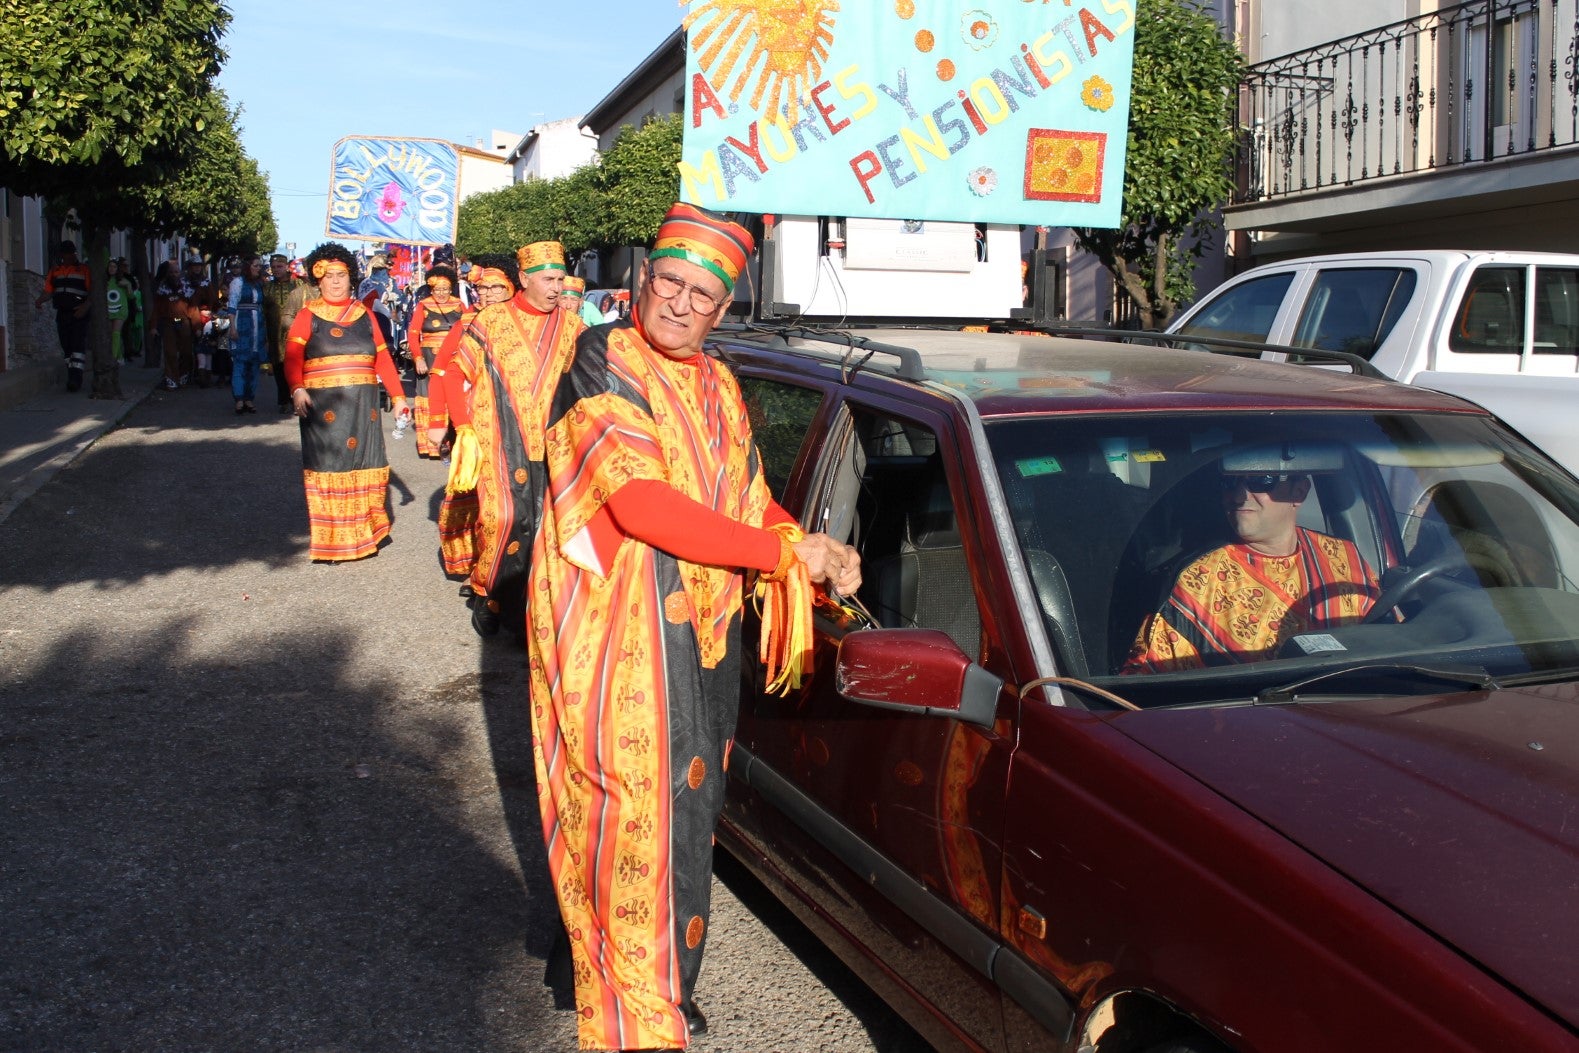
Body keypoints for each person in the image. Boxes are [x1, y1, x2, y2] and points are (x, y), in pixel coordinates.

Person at [527, 203, 861, 1052]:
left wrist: (808, 545)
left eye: (700, 295)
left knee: (688, 807)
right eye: (668, 282)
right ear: (643, 280)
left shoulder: (715, 380)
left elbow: (745, 496)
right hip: (618, 638)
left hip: (702, 634)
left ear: (723, 309)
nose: (678, 303)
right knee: (626, 808)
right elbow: (642, 505)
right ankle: (639, 1011)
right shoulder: (600, 361)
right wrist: (784, 558)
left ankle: (648, 978)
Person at [438, 240, 586, 638]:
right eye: (548, 280)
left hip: (555, 446)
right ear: (523, 279)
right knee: (503, 520)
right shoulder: (490, 322)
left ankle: (534, 610)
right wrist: (463, 427)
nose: (556, 288)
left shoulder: (574, 326)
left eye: (560, 279)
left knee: (544, 526)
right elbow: (454, 375)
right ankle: (490, 594)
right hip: (499, 441)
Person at [1123, 468, 1380, 672]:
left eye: (1261, 480)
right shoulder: (1199, 577)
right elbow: (1152, 685)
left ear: (1299, 492)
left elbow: (1391, 639)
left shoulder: (1345, 557)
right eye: (1229, 483)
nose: (1239, 496)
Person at [283, 243, 410, 562]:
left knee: (366, 464)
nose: (336, 282)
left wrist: (398, 397)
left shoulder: (364, 314)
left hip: (363, 409)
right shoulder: (307, 315)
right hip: (323, 410)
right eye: (329, 276)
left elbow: (382, 358)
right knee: (331, 466)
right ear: (318, 280)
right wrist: (297, 388)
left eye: (342, 275)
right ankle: (334, 540)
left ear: (351, 278)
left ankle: (366, 532)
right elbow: (292, 357)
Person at [424, 255, 518, 586]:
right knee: (477, 497)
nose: (488, 293)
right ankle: (478, 564)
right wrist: (441, 423)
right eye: (483, 287)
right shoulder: (464, 325)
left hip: (518, 428)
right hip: (473, 426)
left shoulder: (524, 326)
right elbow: (441, 375)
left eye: (496, 287)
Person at [404, 265, 465, 459]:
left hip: (454, 358)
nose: (441, 293)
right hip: (429, 358)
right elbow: (413, 334)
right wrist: (418, 358)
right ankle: (430, 445)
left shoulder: (459, 305)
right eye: (437, 289)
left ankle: (453, 443)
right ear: (431, 289)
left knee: (454, 398)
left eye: (445, 289)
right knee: (430, 399)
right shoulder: (423, 306)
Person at [34, 240, 92, 392]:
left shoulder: (83, 270)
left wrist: (85, 307)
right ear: (62, 255)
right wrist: (40, 300)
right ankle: (71, 375)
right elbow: (48, 291)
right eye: (65, 255)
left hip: (79, 314)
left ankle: (75, 379)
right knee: (66, 346)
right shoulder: (55, 271)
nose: (68, 257)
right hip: (63, 313)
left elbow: (93, 292)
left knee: (77, 347)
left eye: (71, 254)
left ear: (74, 254)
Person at [263, 254, 304, 413]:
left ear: (287, 267)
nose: (276, 270)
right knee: (279, 368)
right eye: (273, 267)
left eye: (279, 267)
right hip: (274, 334)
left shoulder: (298, 284)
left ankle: (296, 398)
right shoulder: (267, 287)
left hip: (294, 332)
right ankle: (283, 400)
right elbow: (264, 311)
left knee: (294, 366)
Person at [226, 255, 267, 415]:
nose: (258, 269)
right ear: (248, 266)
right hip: (243, 323)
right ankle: (239, 399)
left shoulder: (258, 284)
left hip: (257, 325)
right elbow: (232, 306)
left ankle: (250, 398)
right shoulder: (238, 282)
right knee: (240, 362)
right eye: (256, 266)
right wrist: (233, 327)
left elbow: (260, 305)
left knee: (254, 363)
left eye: (260, 266)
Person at [152, 260, 194, 391]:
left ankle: (183, 376)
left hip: (184, 322)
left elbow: (193, 307)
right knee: (170, 352)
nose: (174, 274)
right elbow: (156, 309)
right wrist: (153, 326)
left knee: (186, 351)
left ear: (180, 272)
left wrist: (197, 326)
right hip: (168, 322)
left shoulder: (186, 286)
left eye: (176, 272)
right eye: (171, 272)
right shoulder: (162, 288)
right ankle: (171, 379)